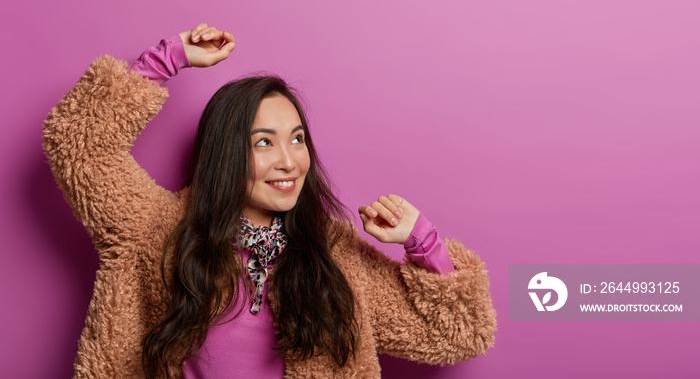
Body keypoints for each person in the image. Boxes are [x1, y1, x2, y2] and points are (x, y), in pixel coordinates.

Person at [43, 23, 496, 378]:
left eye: (297, 139)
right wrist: (168, 58)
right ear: (224, 155)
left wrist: (422, 241)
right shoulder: (156, 229)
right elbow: (79, 146)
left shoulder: (331, 254)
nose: (288, 161)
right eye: (263, 143)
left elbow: (457, 336)